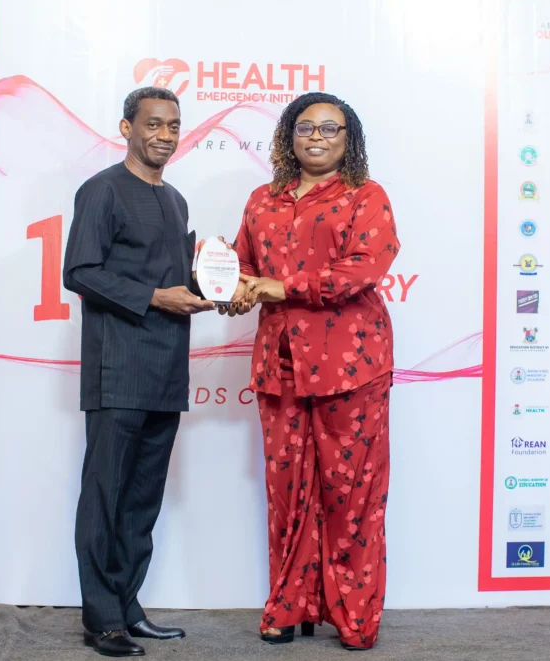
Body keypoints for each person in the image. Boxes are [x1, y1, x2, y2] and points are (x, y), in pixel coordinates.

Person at [221, 92, 400, 650]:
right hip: (280, 365)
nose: (316, 137)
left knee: (351, 495)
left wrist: (281, 287)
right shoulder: (262, 200)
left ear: (349, 140)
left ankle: (354, 618)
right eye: (305, 128)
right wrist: (233, 287)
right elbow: (243, 264)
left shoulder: (365, 196)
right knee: (287, 492)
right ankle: (288, 606)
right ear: (288, 135)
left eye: (329, 129)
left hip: (352, 365)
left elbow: (364, 267)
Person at [63, 86, 214, 658]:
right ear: (126, 128)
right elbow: (80, 271)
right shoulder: (101, 190)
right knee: (105, 497)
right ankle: (101, 619)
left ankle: (127, 608)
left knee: (142, 501)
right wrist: (154, 297)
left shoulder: (175, 200)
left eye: (173, 126)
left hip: (167, 370)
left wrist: (216, 286)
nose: (165, 135)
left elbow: (176, 281)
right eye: (153, 124)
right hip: (118, 368)